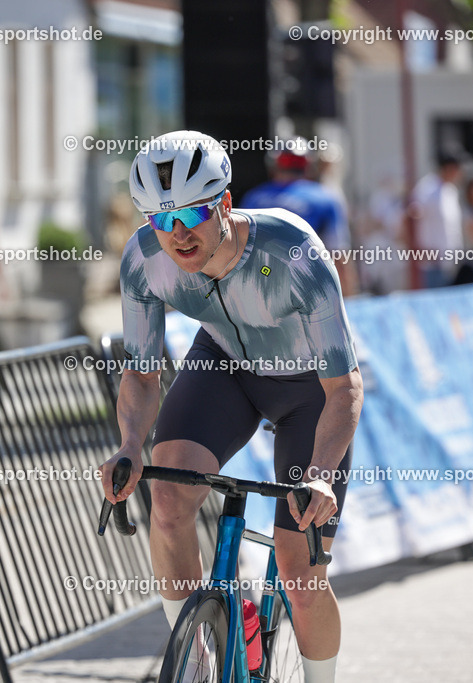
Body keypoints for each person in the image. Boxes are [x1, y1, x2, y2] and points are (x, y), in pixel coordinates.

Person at [101, 131, 362, 683]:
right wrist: (127, 447)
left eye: (190, 214)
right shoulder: (145, 260)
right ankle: (195, 666)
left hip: (308, 389)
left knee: (300, 575)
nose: (176, 235)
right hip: (221, 370)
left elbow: (344, 388)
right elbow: (142, 375)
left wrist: (318, 475)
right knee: (167, 501)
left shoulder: (290, 249)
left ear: (222, 202)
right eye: (158, 219)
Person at [241, 139, 357, 295]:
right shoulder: (326, 197)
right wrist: (349, 299)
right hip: (310, 291)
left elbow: (239, 251)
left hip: (261, 289)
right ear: (308, 166)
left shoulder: (254, 197)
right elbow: (339, 255)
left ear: (274, 166)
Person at [410, 150, 465, 288]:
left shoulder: (451, 191)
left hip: (449, 263)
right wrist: (418, 250)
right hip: (431, 265)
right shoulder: (426, 189)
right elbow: (410, 219)